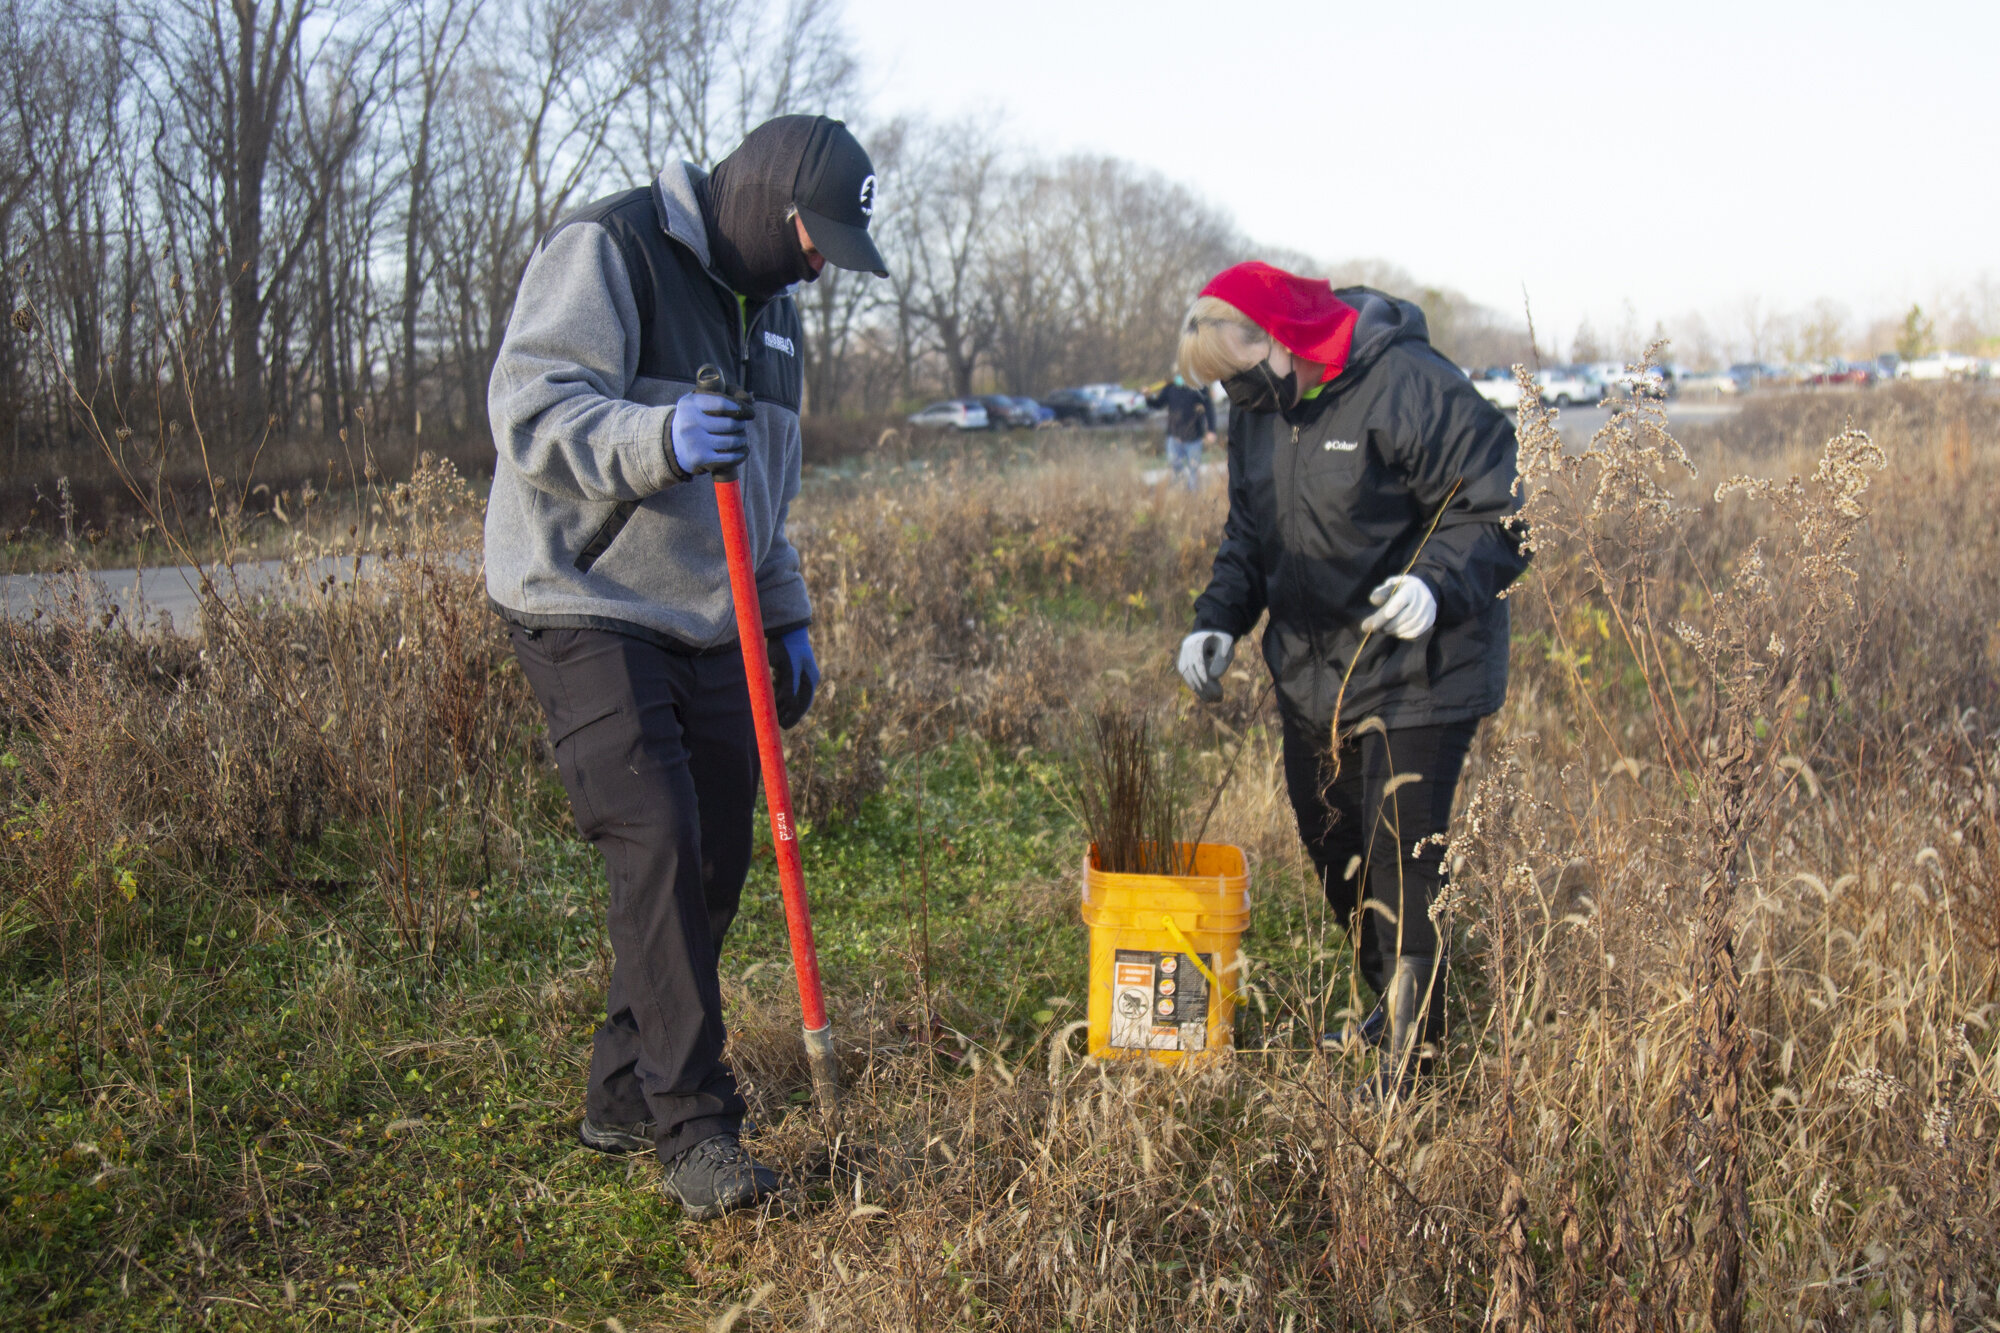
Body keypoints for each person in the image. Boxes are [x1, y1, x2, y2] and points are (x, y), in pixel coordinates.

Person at [484, 115, 888, 1217]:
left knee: (711, 853)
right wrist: (655, 439)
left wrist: (786, 614)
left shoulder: (778, 326)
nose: (817, 267)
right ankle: (694, 1130)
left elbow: (764, 503)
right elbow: (531, 409)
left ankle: (623, 1089)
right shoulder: (612, 248)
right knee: (655, 834)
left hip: (713, 617)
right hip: (586, 596)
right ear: (766, 201)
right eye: (812, 243)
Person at [1172, 261, 1527, 1093]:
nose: (1237, 402)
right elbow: (1250, 533)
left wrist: (1435, 585)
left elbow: (1505, 500)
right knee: (1333, 844)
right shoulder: (1258, 412)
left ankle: (1416, 1058)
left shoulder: (1404, 381)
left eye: (1241, 379)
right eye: (1224, 390)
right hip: (1311, 671)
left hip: (1422, 663)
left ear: (1282, 340)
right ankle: (1392, 998)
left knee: (1400, 852)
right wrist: (1217, 617)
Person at [1144, 373, 1216, 490]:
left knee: (1193, 469)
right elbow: (1158, 404)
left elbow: (1209, 409)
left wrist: (1211, 430)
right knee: (1174, 464)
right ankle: (1182, 490)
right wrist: (1148, 398)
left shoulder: (1199, 388)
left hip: (1194, 437)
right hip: (1174, 436)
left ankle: (1193, 497)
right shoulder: (1170, 388)